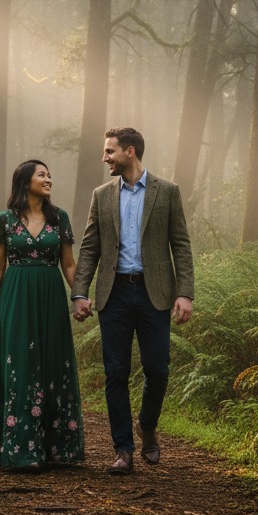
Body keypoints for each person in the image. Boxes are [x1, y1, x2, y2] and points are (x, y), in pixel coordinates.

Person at [72, 127, 194, 475]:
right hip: (115, 293)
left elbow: (181, 245)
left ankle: (147, 425)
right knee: (116, 373)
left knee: (158, 369)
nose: (104, 158)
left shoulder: (167, 192)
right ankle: (123, 450)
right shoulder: (102, 194)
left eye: (109, 151)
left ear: (129, 151)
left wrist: (185, 293)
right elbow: (90, 246)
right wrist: (80, 292)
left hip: (154, 293)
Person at [0, 159, 86, 471]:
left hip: (51, 296)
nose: (48, 179)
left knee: (53, 362)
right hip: (15, 296)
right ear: (25, 181)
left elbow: (69, 263)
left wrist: (79, 295)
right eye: (42, 175)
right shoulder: (5, 220)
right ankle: (20, 449)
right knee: (21, 363)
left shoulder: (59, 218)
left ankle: (58, 450)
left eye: (50, 175)